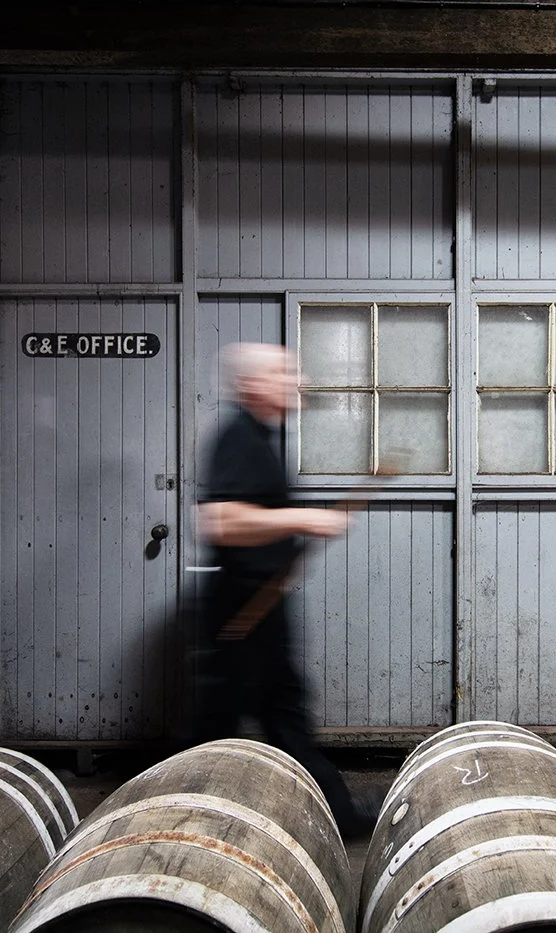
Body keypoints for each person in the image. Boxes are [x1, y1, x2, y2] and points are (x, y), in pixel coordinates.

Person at [192, 342, 377, 837]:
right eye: (283, 372)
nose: (298, 380)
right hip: (242, 604)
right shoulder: (237, 435)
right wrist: (303, 519)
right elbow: (219, 521)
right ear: (252, 384)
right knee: (221, 724)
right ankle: (178, 809)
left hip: (263, 601)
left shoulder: (262, 435)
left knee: (281, 713)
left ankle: (336, 812)